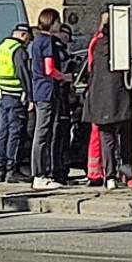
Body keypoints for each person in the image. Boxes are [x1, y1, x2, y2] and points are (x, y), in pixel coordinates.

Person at [82, 15, 132, 190]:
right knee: (127, 137)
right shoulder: (125, 46)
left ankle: (109, 176)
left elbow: (90, 68)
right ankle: (129, 175)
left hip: (100, 98)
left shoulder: (97, 44)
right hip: (122, 97)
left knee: (106, 139)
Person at [30, 8, 71, 190]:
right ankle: (40, 175)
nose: (60, 24)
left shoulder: (36, 40)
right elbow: (49, 69)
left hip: (39, 90)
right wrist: (65, 77)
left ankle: (40, 173)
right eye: (58, 21)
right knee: (44, 134)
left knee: (41, 134)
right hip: (47, 91)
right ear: (51, 22)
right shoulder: (47, 42)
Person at [0, 24, 34, 183]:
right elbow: (23, 74)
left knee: (3, 131)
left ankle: (0, 168)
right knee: (15, 132)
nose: (28, 43)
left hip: (2, 96)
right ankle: (12, 169)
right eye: (28, 40)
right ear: (23, 35)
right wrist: (30, 96)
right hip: (16, 96)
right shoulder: (18, 50)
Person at [85, 12, 109, 186]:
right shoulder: (103, 43)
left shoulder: (96, 41)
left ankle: (96, 171)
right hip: (104, 93)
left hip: (97, 92)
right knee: (103, 134)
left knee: (98, 134)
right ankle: (98, 172)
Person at [51, 23, 74, 184]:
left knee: (57, 135)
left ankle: (59, 169)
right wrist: (69, 76)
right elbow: (56, 71)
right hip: (59, 97)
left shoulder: (54, 48)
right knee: (59, 136)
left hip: (57, 96)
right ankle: (59, 170)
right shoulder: (58, 51)